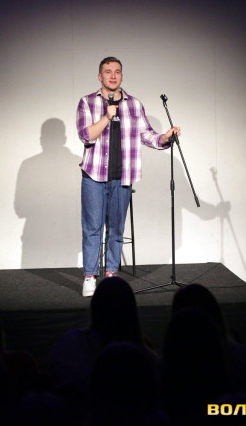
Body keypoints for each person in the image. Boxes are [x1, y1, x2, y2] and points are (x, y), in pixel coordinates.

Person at [76, 56, 180, 296]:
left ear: (122, 76)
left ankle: (111, 275)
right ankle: (90, 276)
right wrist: (106, 117)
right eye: (108, 71)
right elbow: (85, 135)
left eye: (117, 71)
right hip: (93, 175)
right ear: (99, 76)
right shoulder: (87, 102)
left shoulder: (134, 104)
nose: (113, 75)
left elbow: (147, 135)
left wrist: (165, 137)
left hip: (122, 176)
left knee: (116, 229)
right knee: (92, 228)